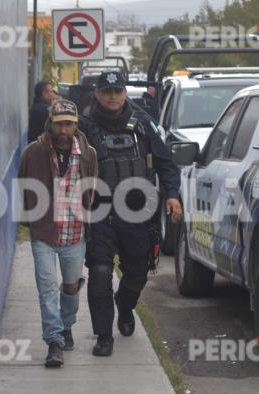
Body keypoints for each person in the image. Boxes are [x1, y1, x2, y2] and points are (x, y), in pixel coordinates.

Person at [79, 72, 183, 357]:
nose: (113, 96)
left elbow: (167, 164)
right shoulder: (84, 127)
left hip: (138, 212)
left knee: (137, 272)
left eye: (118, 91)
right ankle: (103, 336)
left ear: (124, 93)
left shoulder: (142, 125)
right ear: (97, 94)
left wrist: (172, 195)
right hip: (99, 212)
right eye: (107, 91)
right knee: (100, 271)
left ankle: (124, 307)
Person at [19, 99, 98, 367]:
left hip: (75, 233)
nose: (64, 130)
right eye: (59, 125)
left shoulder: (89, 154)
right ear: (50, 125)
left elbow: (92, 189)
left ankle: (66, 325)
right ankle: (54, 342)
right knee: (47, 287)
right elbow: (23, 184)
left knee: (71, 286)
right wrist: (28, 216)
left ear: (76, 125)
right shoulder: (34, 152)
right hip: (44, 232)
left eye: (69, 125)